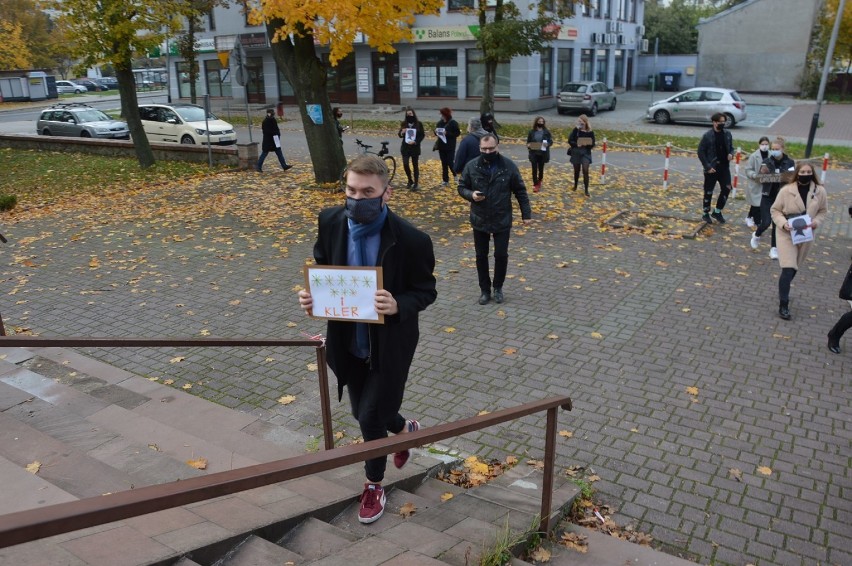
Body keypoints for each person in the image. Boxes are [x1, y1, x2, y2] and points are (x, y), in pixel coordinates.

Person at [297, 154, 437, 524]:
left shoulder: (412, 240)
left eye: (368, 192)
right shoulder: (330, 221)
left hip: (390, 343)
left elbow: (426, 290)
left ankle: (374, 485)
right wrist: (314, 297)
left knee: (370, 417)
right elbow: (323, 263)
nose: (358, 199)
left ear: (386, 192)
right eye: (351, 190)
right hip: (348, 338)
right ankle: (406, 431)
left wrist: (397, 304)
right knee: (363, 411)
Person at [458, 133, 532, 305]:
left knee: (500, 255)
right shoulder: (472, 166)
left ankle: (498, 288)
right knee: (480, 256)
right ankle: (484, 290)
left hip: (502, 217)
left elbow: (520, 190)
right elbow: (461, 187)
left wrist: (526, 214)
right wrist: (471, 194)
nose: (487, 151)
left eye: (491, 148)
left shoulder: (508, 166)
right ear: (479, 148)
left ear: (497, 146)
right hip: (480, 218)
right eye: (484, 149)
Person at [769, 161, 828, 321]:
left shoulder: (819, 191)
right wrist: (783, 223)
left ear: (812, 173)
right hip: (787, 233)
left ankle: (784, 288)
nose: (805, 175)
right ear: (797, 173)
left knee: (794, 268)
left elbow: (823, 211)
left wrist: (816, 222)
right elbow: (775, 210)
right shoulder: (786, 190)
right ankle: (784, 304)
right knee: (788, 267)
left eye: (808, 172)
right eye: (802, 172)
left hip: (806, 234)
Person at [751, 137, 795, 260]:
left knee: (777, 224)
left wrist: (773, 176)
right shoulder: (767, 161)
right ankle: (757, 234)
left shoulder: (790, 162)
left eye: (777, 149)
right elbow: (761, 178)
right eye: (773, 149)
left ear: (783, 149)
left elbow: (791, 178)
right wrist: (780, 176)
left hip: (781, 197)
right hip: (767, 195)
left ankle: (774, 249)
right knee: (766, 222)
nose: (774, 151)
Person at [697, 113, 734, 224]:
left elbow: (731, 148)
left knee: (727, 188)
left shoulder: (727, 134)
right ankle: (705, 213)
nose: (722, 124)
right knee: (708, 191)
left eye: (724, 122)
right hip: (712, 168)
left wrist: (731, 154)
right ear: (714, 122)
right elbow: (700, 152)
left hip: (724, 167)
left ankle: (717, 211)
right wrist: (707, 166)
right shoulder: (707, 135)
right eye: (720, 122)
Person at [743, 136, 770, 228]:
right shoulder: (754, 156)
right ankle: (757, 221)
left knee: (760, 203)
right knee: (757, 204)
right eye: (763, 144)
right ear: (759, 145)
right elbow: (748, 170)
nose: (765, 146)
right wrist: (755, 176)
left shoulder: (771, 155)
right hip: (755, 184)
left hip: (767, 183)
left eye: (766, 144)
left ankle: (750, 217)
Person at [256, 108, 292, 172]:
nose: (273, 114)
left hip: (274, 140)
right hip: (269, 140)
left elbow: (275, 129)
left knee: (279, 152)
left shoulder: (271, 120)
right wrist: (276, 134)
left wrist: (277, 134)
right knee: (265, 153)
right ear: (269, 113)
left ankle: (284, 166)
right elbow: (267, 131)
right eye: (272, 112)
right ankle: (258, 166)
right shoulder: (266, 121)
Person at [398, 107, 425, 190]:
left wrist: (416, 141)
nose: (409, 115)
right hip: (405, 148)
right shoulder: (404, 123)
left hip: (414, 148)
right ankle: (410, 180)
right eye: (407, 114)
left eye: (410, 114)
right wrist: (402, 132)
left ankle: (416, 183)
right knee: (405, 164)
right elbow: (399, 134)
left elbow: (422, 135)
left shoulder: (418, 124)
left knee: (415, 165)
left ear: (413, 114)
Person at [568, 114, 595, 197]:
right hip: (576, 151)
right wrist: (576, 144)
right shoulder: (576, 130)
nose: (580, 123)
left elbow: (593, 143)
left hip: (585, 152)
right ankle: (575, 185)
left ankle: (586, 189)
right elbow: (570, 140)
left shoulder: (590, 132)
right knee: (576, 170)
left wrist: (587, 144)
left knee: (585, 169)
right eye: (579, 121)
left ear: (585, 122)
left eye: (581, 121)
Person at [526, 116, 553, 193]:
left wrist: (547, 144)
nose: (541, 123)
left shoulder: (546, 132)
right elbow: (528, 142)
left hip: (542, 154)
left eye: (542, 122)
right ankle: (535, 184)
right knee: (534, 169)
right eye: (539, 121)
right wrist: (528, 145)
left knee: (540, 169)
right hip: (534, 153)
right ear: (536, 122)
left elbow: (551, 142)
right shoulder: (531, 132)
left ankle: (540, 180)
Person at [435, 107, 461, 187]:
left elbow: (457, 133)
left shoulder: (453, 123)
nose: (441, 116)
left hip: (450, 146)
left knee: (450, 162)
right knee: (444, 163)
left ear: (446, 115)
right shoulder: (439, 123)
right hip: (441, 145)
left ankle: (455, 175)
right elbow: (436, 131)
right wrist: (436, 132)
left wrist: (448, 133)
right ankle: (445, 180)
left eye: (442, 114)